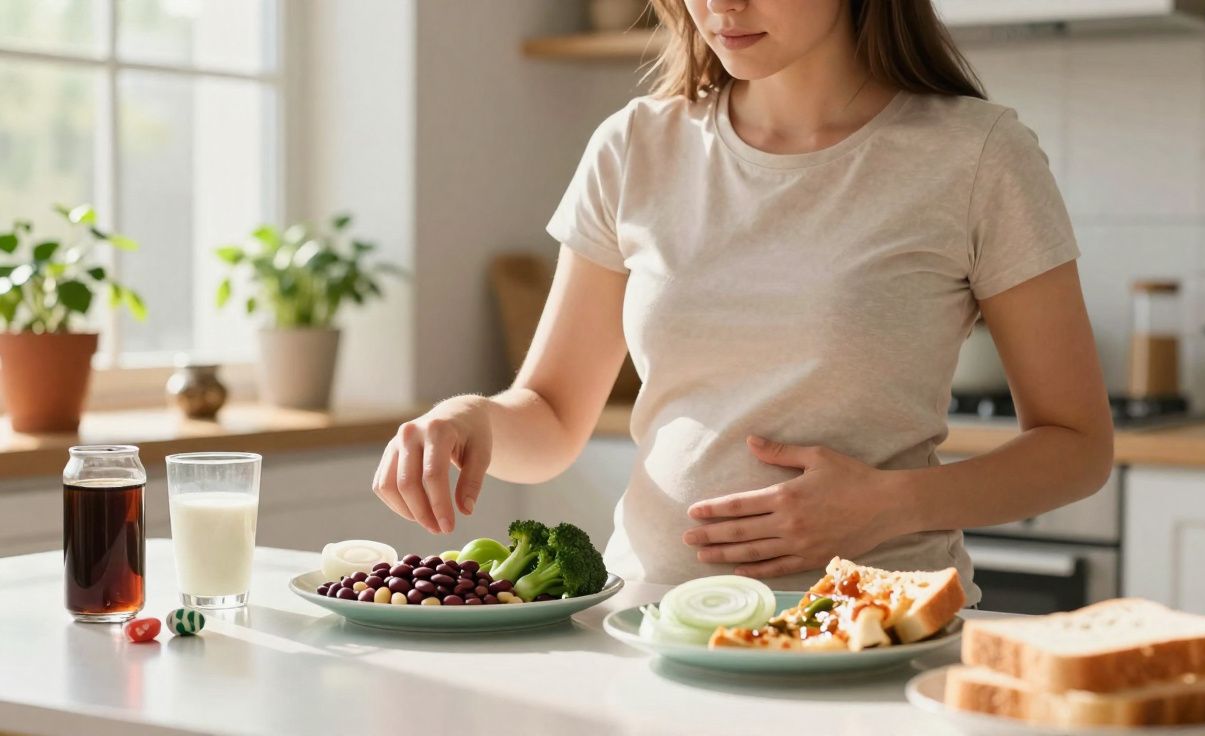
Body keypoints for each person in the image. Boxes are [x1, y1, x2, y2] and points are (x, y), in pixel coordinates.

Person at [372, 0, 1113, 604]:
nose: (721, 5)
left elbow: (1078, 446)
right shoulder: (634, 146)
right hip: (650, 626)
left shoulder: (976, 155)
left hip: (874, 634)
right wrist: (472, 419)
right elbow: (555, 415)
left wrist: (895, 503)